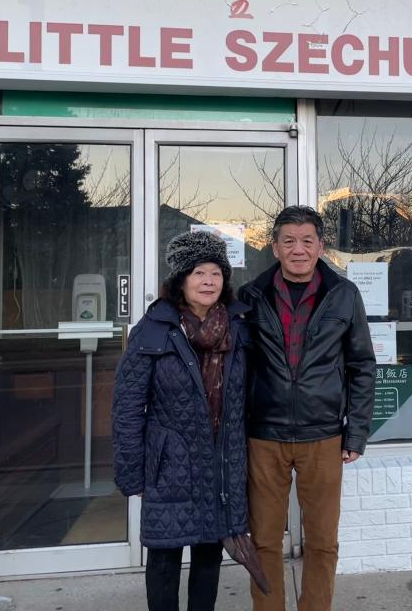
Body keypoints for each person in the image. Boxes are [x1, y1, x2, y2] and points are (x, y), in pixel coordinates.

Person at [239, 205, 376, 611]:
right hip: (264, 435)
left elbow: (362, 366)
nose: (298, 250)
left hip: (324, 436)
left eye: (307, 241)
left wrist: (356, 433)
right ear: (276, 248)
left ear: (320, 247)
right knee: (263, 540)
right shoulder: (251, 296)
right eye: (289, 241)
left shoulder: (344, 295)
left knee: (321, 541)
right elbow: (237, 370)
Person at [112, 230, 249, 611]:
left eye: (216, 273)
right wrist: (132, 471)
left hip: (222, 462)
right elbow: (126, 406)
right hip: (170, 465)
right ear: (181, 280)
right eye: (199, 273)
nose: (209, 281)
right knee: (164, 558)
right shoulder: (154, 329)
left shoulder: (239, 328)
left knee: (209, 555)